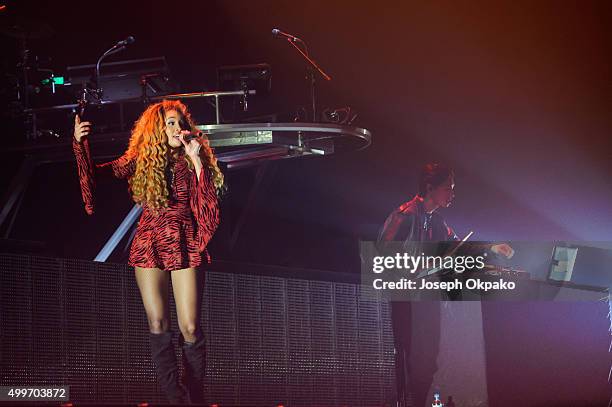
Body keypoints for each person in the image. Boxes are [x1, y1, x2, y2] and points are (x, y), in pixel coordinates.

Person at [73, 99, 224, 404]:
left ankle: (195, 395)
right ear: (157, 128)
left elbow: (207, 209)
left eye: (181, 123)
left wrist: (196, 162)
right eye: (170, 122)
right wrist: (80, 144)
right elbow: (98, 175)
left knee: (190, 327)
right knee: (157, 323)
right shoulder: (142, 158)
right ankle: (176, 400)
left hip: (185, 240)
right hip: (150, 242)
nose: (178, 128)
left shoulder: (195, 158)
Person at [378, 163, 513, 407]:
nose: (452, 194)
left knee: (429, 362)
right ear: (430, 188)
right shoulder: (405, 216)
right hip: (406, 304)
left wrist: (491, 248)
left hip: (427, 303)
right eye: (448, 188)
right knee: (415, 362)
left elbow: (457, 245)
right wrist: (423, 264)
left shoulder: (438, 222)